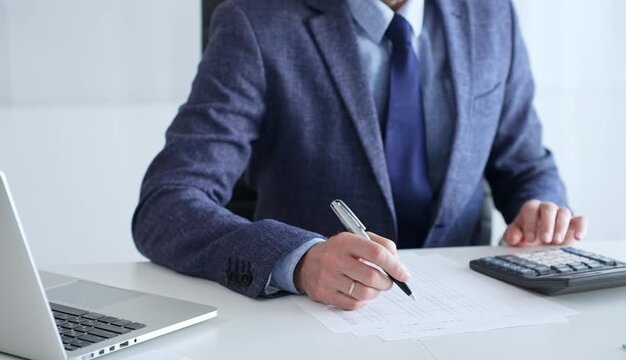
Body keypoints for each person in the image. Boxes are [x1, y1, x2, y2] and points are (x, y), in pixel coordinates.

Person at [132, 0, 588, 310]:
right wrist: (300, 260)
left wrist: (539, 209)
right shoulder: (256, 22)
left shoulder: (492, 13)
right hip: (317, 323)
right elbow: (167, 203)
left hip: (468, 313)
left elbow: (525, 163)